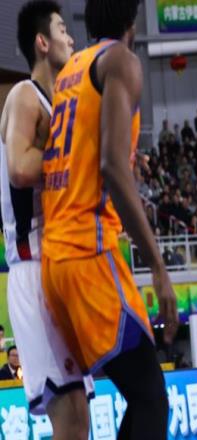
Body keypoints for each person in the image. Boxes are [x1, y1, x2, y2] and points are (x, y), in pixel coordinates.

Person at [41, 1, 179, 438]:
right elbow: (112, 168)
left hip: (54, 261)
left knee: (140, 395)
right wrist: (158, 267)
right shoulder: (120, 60)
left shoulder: (70, 71)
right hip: (88, 250)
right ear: (131, 23)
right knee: (151, 397)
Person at [0, 1, 91, 436]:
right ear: (41, 42)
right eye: (61, 29)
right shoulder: (24, 95)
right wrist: (80, 157)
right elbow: (19, 167)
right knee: (68, 414)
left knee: (79, 415)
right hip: (32, 265)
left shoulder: (59, 103)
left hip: (58, 264)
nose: (70, 38)